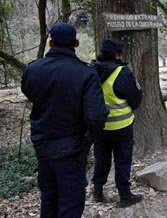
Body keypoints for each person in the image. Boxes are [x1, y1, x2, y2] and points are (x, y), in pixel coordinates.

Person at [21, 22, 109, 218]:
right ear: (76, 43)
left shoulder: (32, 70)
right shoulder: (85, 73)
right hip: (71, 149)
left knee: (49, 199)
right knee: (70, 203)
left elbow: (29, 93)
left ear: (50, 43)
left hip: (42, 145)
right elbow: (97, 117)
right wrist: (87, 140)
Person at [91, 39, 143, 208]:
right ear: (117, 55)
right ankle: (125, 196)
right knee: (122, 160)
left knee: (101, 159)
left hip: (100, 127)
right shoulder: (122, 73)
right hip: (122, 127)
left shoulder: (92, 70)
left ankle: (97, 192)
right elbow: (135, 100)